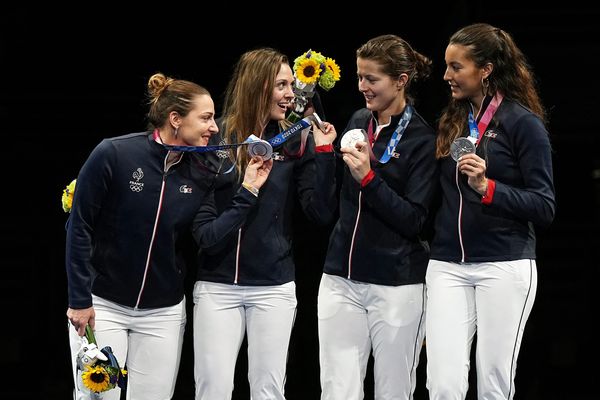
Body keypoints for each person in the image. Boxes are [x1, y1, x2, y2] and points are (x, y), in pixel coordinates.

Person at [66, 72, 272, 400]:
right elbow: (79, 228)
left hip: (163, 312)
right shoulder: (115, 154)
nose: (214, 127)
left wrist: (248, 190)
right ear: (176, 119)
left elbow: (207, 235)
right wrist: (79, 300)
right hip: (104, 305)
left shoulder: (203, 170)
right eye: (205, 118)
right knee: (98, 397)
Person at [191, 47, 337, 400]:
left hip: (273, 286)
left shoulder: (294, 140)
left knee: (269, 392)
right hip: (217, 286)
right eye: (281, 85)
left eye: (291, 85)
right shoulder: (217, 135)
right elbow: (203, 228)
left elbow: (319, 213)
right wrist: (248, 190)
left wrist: (325, 154)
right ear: (257, 86)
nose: (291, 94)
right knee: (212, 391)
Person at [425, 23, 556, 399]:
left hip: (504, 264)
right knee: (443, 384)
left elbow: (544, 206)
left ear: (485, 70)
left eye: (456, 67)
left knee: (493, 385)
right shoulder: (451, 120)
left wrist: (489, 188)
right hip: (448, 265)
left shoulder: (523, 124)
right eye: (447, 66)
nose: (446, 75)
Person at [317, 34, 438, 400]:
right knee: (337, 391)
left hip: (397, 284)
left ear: (401, 80)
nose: (362, 87)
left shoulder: (422, 139)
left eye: (372, 79)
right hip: (340, 278)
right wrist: (324, 155)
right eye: (359, 77)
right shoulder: (358, 120)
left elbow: (415, 220)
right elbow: (332, 203)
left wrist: (368, 178)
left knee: (394, 392)